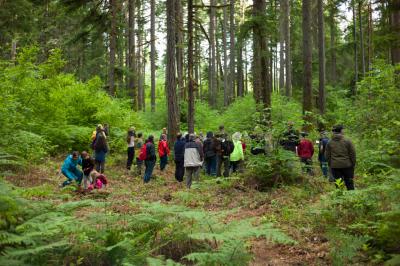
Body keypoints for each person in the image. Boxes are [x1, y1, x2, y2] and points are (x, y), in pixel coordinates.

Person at [325, 125, 356, 190]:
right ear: (341, 131)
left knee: (338, 183)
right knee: (349, 182)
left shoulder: (329, 142)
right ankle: (351, 197)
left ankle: (340, 197)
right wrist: (353, 164)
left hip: (335, 166)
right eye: (343, 129)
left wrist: (330, 164)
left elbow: (327, 155)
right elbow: (352, 153)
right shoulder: (348, 141)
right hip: (347, 165)